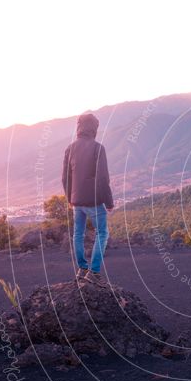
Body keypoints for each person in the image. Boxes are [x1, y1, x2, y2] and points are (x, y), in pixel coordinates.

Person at [62, 112, 114, 285]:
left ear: (79, 127)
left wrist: (70, 198)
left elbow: (65, 178)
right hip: (94, 201)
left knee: (78, 234)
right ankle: (94, 272)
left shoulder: (70, 148)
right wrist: (109, 202)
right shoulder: (98, 148)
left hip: (76, 202)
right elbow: (103, 178)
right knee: (102, 233)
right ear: (94, 128)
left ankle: (82, 269)